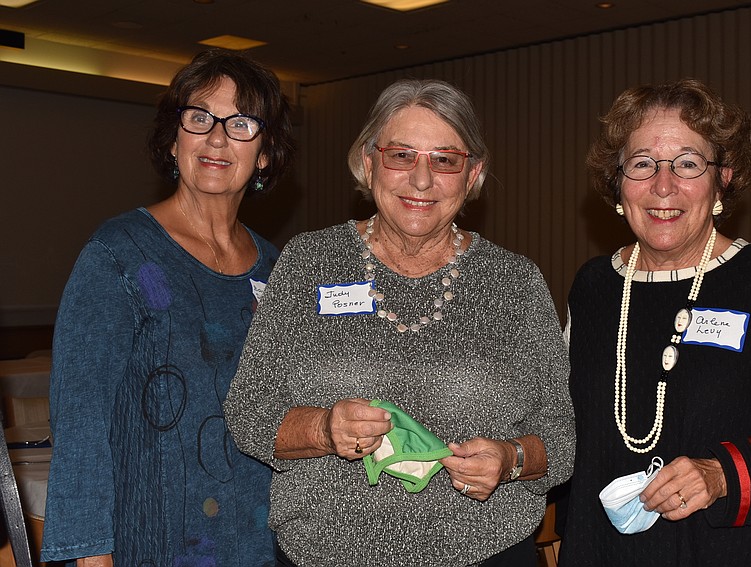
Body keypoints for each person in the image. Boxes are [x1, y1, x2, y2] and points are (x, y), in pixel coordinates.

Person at [224, 78, 575, 566]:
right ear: (368, 163)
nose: (422, 180)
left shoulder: (515, 282)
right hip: (324, 555)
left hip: (485, 553)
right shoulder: (309, 263)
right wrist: (324, 428)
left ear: (473, 174)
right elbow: (248, 411)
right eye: (401, 156)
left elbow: (561, 439)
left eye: (445, 160)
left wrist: (511, 460)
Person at [560, 78, 751, 565]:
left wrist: (722, 475)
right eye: (642, 163)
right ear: (617, 183)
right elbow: (563, 427)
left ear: (723, 180)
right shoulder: (593, 288)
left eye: (688, 163)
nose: (663, 185)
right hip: (602, 552)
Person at [41, 48, 295, 566]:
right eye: (199, 118)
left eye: (241, 123)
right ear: (174, 139)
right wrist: (90, 556)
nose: (217, 138)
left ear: (265, 153)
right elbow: (80, 422)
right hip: (153, 541)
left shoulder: (278, 270)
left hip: (263, 541)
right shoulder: (120, 254)